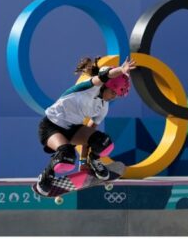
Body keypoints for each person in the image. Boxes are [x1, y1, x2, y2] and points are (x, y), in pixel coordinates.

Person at [36, 57, 136, 195]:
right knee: (65, 158)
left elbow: (90, 132)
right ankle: (46, 176)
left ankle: (94, 162)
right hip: (51, 127)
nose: (114, 97)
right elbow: (103, 76)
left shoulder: (103, 106)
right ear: (106, 85)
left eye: (117, 95)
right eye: (114, 92)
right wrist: (121, 70)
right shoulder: (89, 86)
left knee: (104, 143)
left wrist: (84, 162)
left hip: (73, 130)